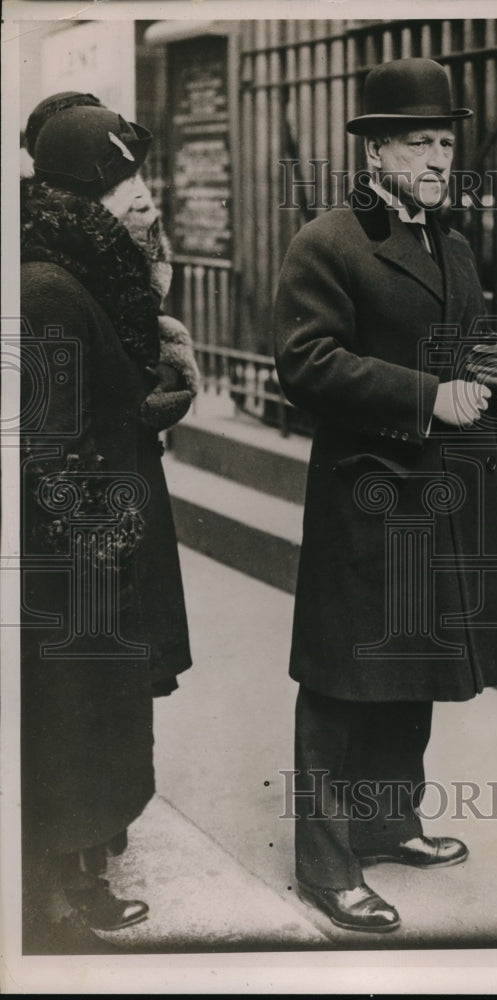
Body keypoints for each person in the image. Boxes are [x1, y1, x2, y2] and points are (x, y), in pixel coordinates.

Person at [274, 58, 497, 933]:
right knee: (343, 681)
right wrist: (427, 397)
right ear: (375, 148)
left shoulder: (449, 243)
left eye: (446, 140)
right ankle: (326, 865)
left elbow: (461, 350)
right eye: (417, 139)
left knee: (409, 667)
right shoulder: (329, 241)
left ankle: (387, 821)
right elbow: (306, 362)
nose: (437, 155)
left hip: (439, 496)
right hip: (366, 494)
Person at [20, 104, 194, 952]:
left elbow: (107, 394)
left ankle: (79, 867)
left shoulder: (92, 270)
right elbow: (51, 449)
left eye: (142, 180)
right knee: (70, 719)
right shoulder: (48, 287)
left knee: (96, 713)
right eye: (120, 184)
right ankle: (53, 899)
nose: (145, 200)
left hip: (103, 530)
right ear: (72, 196)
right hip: (77, 552)